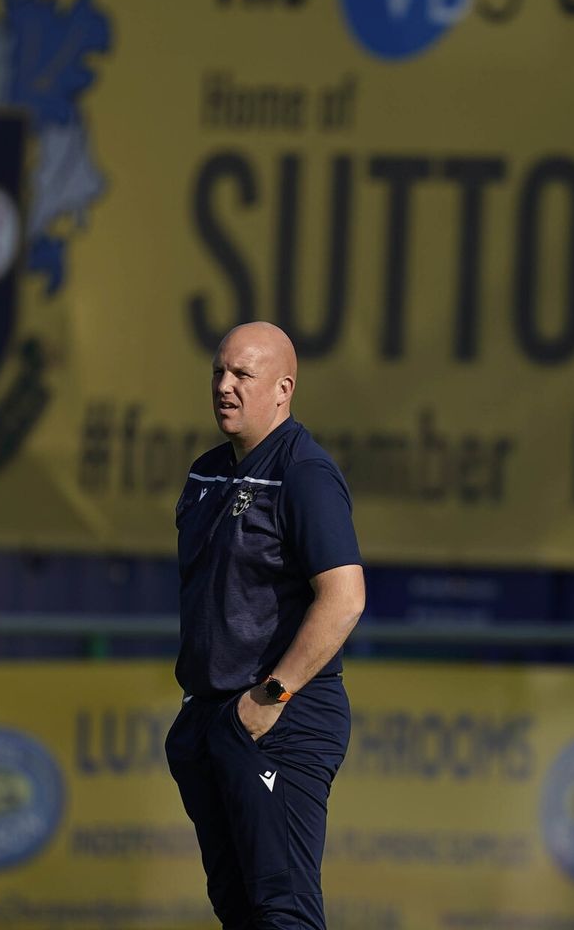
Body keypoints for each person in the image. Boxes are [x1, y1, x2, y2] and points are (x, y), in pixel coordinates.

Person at [165, 321, 366, 930]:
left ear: (283, 388)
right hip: (214, 718)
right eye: (219, 373)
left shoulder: (304, 473)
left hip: (279, 716)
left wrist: (271, 696)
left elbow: (344, 598)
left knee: (285, 912)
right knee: (241, 912)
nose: (225, 387)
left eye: (242, 376)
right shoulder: (206, 473)